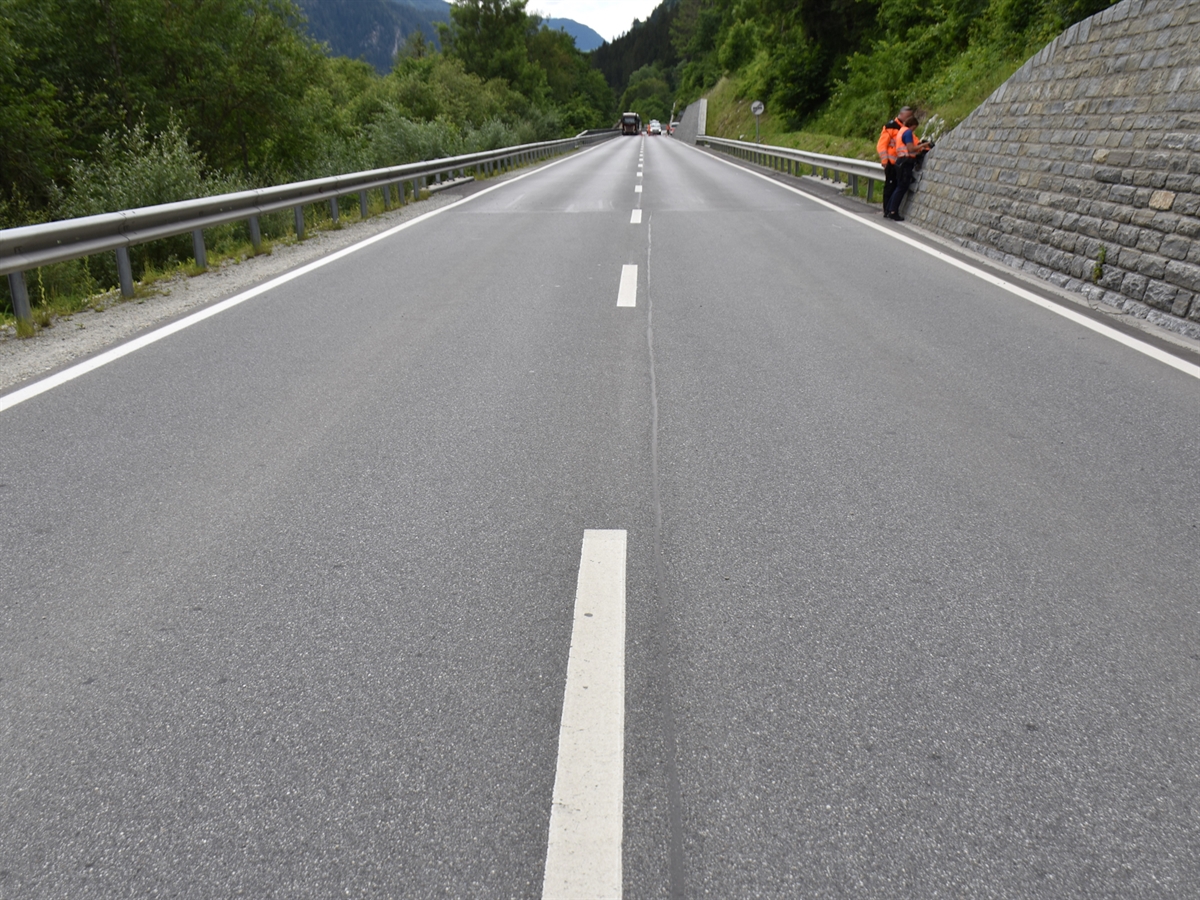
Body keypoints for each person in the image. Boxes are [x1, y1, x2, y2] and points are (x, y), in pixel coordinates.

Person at [884, 111, 930, 222]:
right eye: (914, 127)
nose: (914, 130)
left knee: (899, 186)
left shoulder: (901, 131)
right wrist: (923, 145)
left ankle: (889, 209)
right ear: (912, 125)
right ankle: (893, 212)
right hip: (905, 162)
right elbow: (910, 149)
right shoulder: (908, 132)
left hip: (900, 161)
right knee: (902, 187)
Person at [876, 107, 912, 215]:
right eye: (908, 116)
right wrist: (884, 160)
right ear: (901, 114)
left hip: (899, 163)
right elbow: (882, 145)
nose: (910, 118)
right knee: (890, 186)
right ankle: (887, 210)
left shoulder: (904, 128)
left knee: (896, 186)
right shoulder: (891, 127)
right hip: (891, 163)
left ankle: (890, 209)